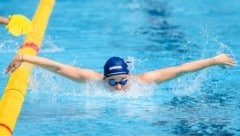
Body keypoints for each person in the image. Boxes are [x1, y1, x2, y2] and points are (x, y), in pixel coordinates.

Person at [5, 53, 236, 91]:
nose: (118, 87)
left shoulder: (143, 81)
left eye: (123, 81)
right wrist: (25, 57)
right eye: (112, 82)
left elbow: (179, 70)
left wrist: (213, 61)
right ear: (103, 78)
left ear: (129, 76)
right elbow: (58, 67)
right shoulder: (93, 81)